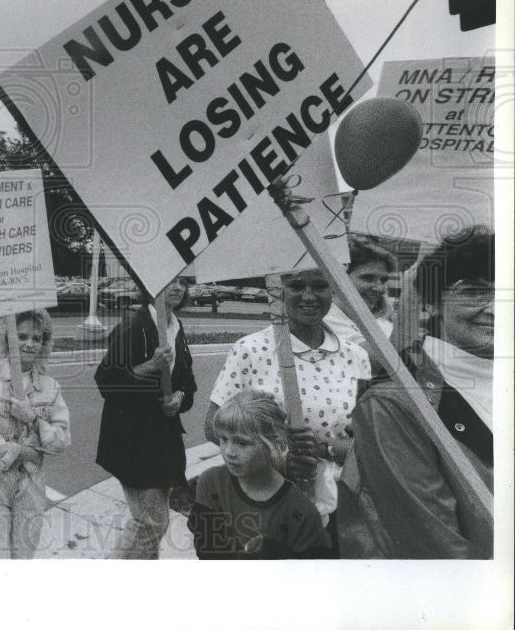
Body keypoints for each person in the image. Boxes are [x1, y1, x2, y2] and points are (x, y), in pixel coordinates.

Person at [338, 226, 494, 558]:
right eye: (473, 291)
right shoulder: (393, 405)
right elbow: (440, 552)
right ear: (433, 302)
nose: (496, 307)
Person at [205, 269, 371, 547]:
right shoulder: (251, 349)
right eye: (296, 286)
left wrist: (321, 449)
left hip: (344, 507)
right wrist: (278, 460)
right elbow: (213, 427)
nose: (308, 296)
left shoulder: (356, 356)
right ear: (279, 291)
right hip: (271, 506)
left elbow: (367, 442)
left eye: (319, 286)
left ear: (334, 292)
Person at [94, 275, 198, 559]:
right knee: (151, 521)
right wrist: (150, 365)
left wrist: (179, 398)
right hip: (132, 441)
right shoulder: (132, 328)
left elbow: (187, 383)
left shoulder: (176, 327)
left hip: (162, 440)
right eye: (171, 281)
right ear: (150, 285)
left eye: (184, 283)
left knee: (151, 521)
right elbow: (107, 382)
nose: (178, 287)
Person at [0, 308, 71, 559]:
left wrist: (33, 419)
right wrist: (23, 451)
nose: (30, 344)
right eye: (22, 337)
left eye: (37, 338)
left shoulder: (50, 387)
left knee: (22, 560)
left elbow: (62, 439)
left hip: (30, 486)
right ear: (7, 339)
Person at [188, 390, 332, 559]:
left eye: (242, 442)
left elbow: (311, 574)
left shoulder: (299, 511)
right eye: (223, 439)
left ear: (276, 446)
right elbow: (206, 550)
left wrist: (272, 551)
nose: (229, 452)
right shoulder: (212, 482)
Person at [324, 234, 397, 350]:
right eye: (367, 278)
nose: (380, 288)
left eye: (383, 280)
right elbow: (371, 361)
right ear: (339, 278)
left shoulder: (381, 320)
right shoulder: (326, 319)